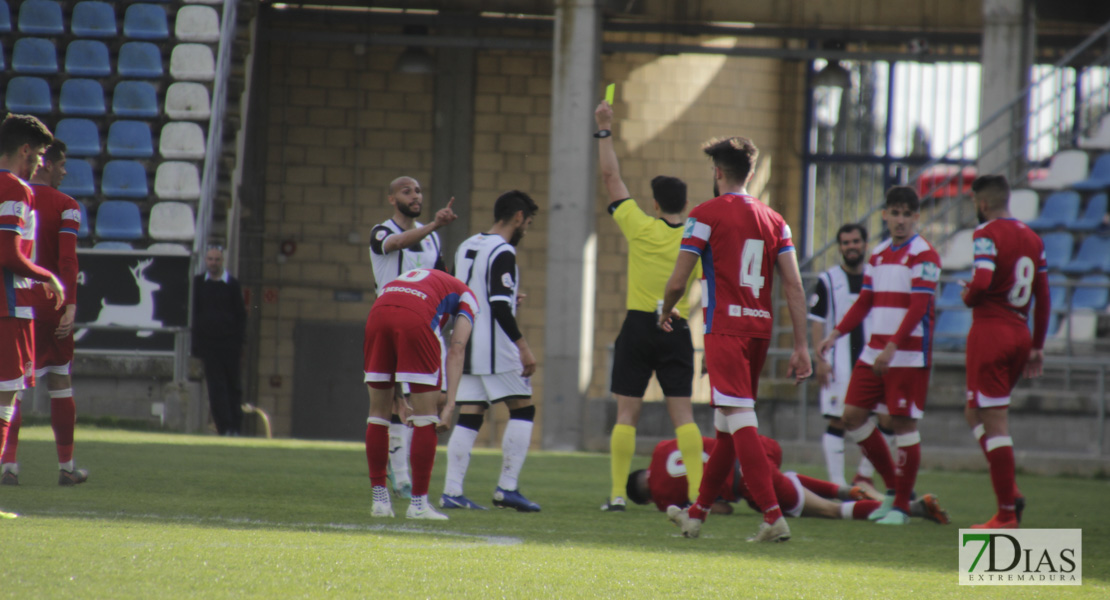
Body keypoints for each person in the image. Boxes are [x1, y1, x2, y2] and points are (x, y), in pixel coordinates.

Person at [659, 137, 812, 542]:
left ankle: (773, 515)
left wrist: (664, 309)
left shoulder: (705, 213)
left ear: (718, 172)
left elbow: (678, 280)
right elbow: (794, 285)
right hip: (759, 330)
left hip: (724, 329)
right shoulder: (777, 220)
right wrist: (800, 345)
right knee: (727, 424)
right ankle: (696, 514)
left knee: (740, 419)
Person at [594, 100, 704, 512]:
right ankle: (697, 496)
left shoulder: (640, 226)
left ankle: (619, 495)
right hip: (676, 327)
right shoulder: (695, 237)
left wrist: (605, 128)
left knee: (627, 415)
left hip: (640, 326)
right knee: (684, 417)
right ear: (686, 205)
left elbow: (610, 176)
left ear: (654, 205)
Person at [819, 186, 942, 526]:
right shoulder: (878, 253)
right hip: (876, 353)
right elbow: (865, 301)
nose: (900, 220)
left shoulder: (925, 255)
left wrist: (892, 347)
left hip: (907, 356)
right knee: (852, 416)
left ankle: (902, 505)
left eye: (907, 214)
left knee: (903, 424)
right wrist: (835, 333)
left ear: (916, 217)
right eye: (895, 213)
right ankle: (892, 490)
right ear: (884, 215)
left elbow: (919, 307)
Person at [439, 190, 541, 512]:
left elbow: (465, 294)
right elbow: (497, 306)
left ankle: (451, 492)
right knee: (523, 409)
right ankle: (506, 488)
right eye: (528, 222)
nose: (526, 229)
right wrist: (523, 348)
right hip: (495, 347)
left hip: (464, 345)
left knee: (470, 415)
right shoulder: (503, 250)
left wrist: (509, 299)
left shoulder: (467, 244)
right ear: (518, 218)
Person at [962, 175, 1048, 529]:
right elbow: (1044, 297)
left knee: (995, 421)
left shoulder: (986, 234)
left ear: (983, 204)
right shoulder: (1033, 238)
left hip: (991, 332)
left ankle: (1007, 514)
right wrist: (1037, 346)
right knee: (974, 413)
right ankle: (1010, 489)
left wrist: (968, 296)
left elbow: (982, 281)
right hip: (1020, 332)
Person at [1, 140, 87, 486]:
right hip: (50, 304)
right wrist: (69, 304)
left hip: (16, 300)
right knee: (60, 382)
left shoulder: (11, 195)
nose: (65, 171)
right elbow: (68, 260)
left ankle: (9, 466)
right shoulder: (66, 206)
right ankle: (66, 467)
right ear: (46, 164)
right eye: (61, 164)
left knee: (11, 386)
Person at [368, 176, 457, 499]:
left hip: (425, 327)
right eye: (407, 191)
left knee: (434, 401)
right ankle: (401, 475)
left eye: (418, 190)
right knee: (393, 402)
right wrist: (434, 223)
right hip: (391, 323)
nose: (415, 195)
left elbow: (444, 281)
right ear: (392, 198)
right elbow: (396, 244)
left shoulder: (432, 241)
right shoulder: (381, 231)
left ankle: (405, 471)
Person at [363, 268, 476, 520]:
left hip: (377, 314)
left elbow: (394, 313)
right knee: (426, 416)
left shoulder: (423, 277)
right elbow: (457, 349)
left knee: (378, 415)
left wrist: (398, 397)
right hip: (415, 319)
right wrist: (449, 406)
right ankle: (418, 504)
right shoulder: (469, 296)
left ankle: (379, 501)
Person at [627, 435, 949, 524]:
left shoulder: (663, 499)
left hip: (751, 481)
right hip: (757, 448)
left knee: (831, 512)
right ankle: (851, 490)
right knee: (786, 479)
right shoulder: (661, 448)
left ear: (646, 498)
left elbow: (720, 509)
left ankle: (913, 509)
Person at [0, 114, 65, 517]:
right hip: (7, 308)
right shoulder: (14, 188)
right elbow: (8, 252)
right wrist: (47, 276)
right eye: (39, 154)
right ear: (25, 150)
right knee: (5, 402)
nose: (40, 163)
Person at [808, 223, 891, 488]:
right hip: (838, 363)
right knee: (838, 420)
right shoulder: (828, 280)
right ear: (840, 247)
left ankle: (864, 476)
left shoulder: (876, 276)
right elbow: (817, 321)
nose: (851, 247)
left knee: (886, 419)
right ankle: (837, 486)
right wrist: (819, 360)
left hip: (873, 360)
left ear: (865, 244)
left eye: (855, 241)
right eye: (845, 243)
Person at [192, 246, 247, 436]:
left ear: (222, 261)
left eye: (217, 259)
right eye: (210, 259)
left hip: (229, 345)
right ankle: (224, 428)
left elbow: (240, 315)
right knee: (216, 389)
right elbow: (195, 314)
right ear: (205, 261)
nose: (213, 263)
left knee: (233, 386)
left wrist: (239, 343)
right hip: (209, 346)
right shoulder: (198, 284)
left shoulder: (232, 285)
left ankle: (235, 428)